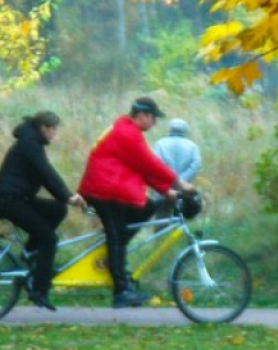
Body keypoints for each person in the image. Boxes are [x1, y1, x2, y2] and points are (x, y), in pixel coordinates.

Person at [77, 97, 194, 308]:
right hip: (104, 189)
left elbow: (140, 166)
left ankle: (120, 269)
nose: (154, 123)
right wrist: (178, 182)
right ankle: (121, 290)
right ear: (142, 116)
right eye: (153, 118)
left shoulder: (126, 129)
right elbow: (148, 163)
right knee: (116, 236)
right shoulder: (128, 133)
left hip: (108, 187)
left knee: (143, 212)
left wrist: (166, 191)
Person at [0, 111, 86, 312]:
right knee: (49, 239)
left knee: (57, 210)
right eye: (53, 129)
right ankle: (40, 290)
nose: (54, 134)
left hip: (18, 198)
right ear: (43, 127)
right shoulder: (30, 143)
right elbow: (46, 172)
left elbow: (44, 176)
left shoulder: (31, 142)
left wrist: (65, 199)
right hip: (10, 201)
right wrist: (69, 196)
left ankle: (31, 254)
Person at [153, 118, 202, 183]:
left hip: (164, 186)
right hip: (184, 187)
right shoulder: (193, 146)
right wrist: (182, 180)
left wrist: (168, 179)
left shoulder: (160, 144)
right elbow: (196, 165)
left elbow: (156, 164)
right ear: (185, 130)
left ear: (170, 128)